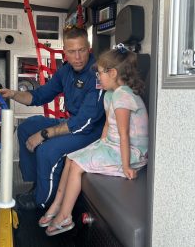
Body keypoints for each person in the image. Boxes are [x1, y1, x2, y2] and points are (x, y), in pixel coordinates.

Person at [38, 44, 149, 236]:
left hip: (131, 153)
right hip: (112, 145)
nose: (97, 78)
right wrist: (98, 146)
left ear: (113, 73)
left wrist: (127, 167)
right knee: (70, 158)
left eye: (100, 74)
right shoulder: (110, 94)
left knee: (77, 166)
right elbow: (107, 126)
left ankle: (65, 216)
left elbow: (124, 134)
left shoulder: (123, 97)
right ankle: (57, 204)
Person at [0, 26, 105, 209]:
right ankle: (36, 185)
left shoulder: (96, 75)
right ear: (65, 53)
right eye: (72, 52)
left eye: (81, 50)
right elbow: (39, 95)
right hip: (73, 123)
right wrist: (13, 94)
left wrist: (45, 134)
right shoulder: (66, 71)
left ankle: (42, 201)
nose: (77, 57)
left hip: (91, 131)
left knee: (47, 150)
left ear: (89, 49)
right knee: (27, 127)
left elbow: (84, 122)